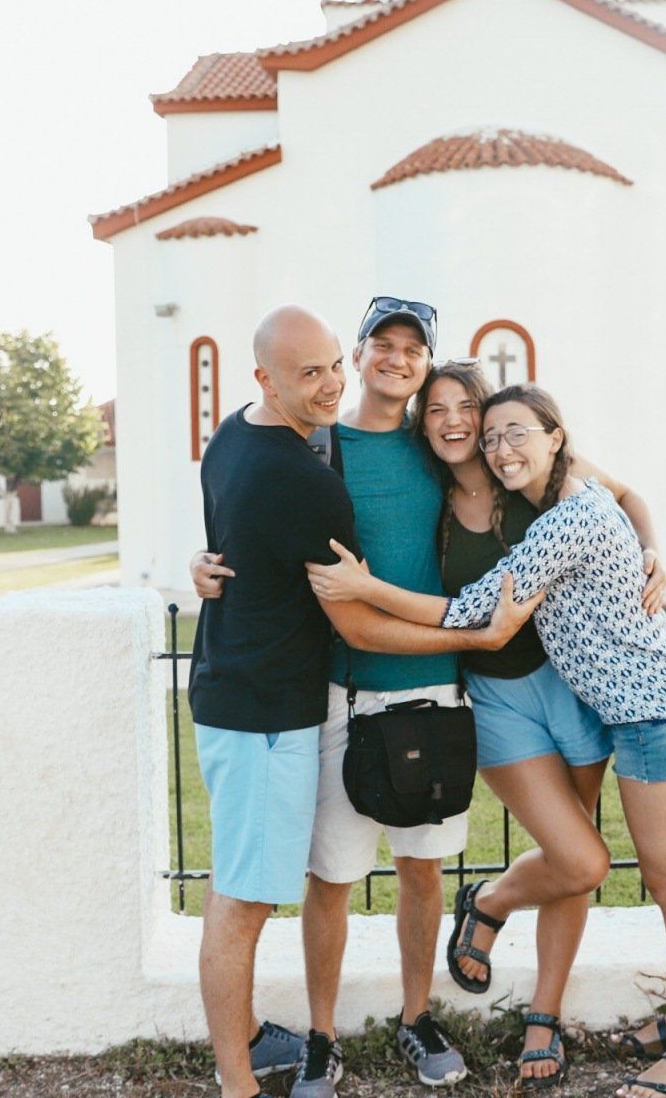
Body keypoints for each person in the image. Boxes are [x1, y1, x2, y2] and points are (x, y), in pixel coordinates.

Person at [306, 384, 666, 1098]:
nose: (495, 445)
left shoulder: (564, 500)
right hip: (582, 705)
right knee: (595, 861)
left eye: (507, 430)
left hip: (631, 707)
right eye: (488, 434)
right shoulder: (463, 485)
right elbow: (480, 614)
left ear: (554, 437)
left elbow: (484, 608)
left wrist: (652, 549)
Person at [190, 305, 536, 1098]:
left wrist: (644, 538)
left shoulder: (439, 447)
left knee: (422, 871)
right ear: (361, 353)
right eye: (384, 344)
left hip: (433, 695)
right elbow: (256, 522)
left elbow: (566, 471)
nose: (397, 359)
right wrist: (203, 562)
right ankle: (320, 1035)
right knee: (332, 877)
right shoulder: (316, 451)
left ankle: (417, 1016)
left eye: (414, 349)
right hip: (338, 697)